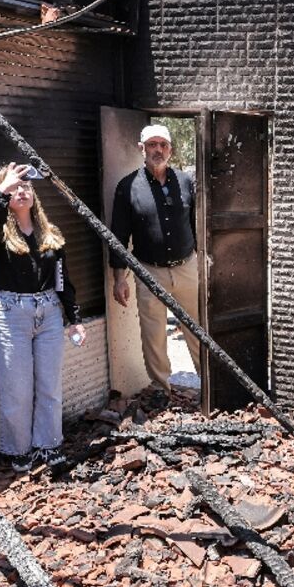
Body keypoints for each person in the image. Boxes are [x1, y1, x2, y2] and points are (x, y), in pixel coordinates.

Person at [0, 162, 86, 472]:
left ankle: (48, 444)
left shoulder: (50, 234)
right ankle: (19, 449)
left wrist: (74, 318)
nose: (21, 191)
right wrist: (3, 191)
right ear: (3, 194)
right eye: (14, 187)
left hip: (49, 313)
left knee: (49, 386)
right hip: (11, 315)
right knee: (17, 389)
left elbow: (62, 280)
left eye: (25, 186)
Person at [109, 124, 202, 398]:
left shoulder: (185, 182)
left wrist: (204, 264)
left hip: (187, 268)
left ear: (170, 150)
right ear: (142, 149)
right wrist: (119, 278)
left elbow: (198, 226)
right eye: (152, 145)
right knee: (154, 336)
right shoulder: (127, 187)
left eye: (163, 144)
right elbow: (118, 235)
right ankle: (162, 389)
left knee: (198, 329)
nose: (158, 150)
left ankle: (210, 386)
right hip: (149, 272)